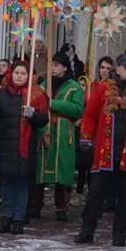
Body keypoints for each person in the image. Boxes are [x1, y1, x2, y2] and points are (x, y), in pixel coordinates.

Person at [75, 53, 126, 246]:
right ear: (117, 69)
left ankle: (119, 235)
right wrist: (86, 138)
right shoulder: (103, 89)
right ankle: (87, 231)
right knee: (95, 195)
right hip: (105, 152)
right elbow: (90, 116)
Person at [0, 62, 48, 234]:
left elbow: (44, 120)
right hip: (5, 147)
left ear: (28, 76)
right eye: (17, 73)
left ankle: (19, 218)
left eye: (23, 73)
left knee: (22, 185)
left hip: (25, 148)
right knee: (6, 184)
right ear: (11, 74)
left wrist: (33, 114)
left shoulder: (35, 96)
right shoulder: (2, 96)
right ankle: (6, 216)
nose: (19, 76)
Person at [35, 52, 85, 221]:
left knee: (61, 170)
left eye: (56, 65)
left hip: (63, 132)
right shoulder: (43, 84)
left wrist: (53, 104)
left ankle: (61, 207)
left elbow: (78, 109)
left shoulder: (74, 86)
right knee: (40, 169)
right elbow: (35, 102)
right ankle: (36, 205)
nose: (53, 68)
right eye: (52, 64)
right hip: (44, 129)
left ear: (64, 67)